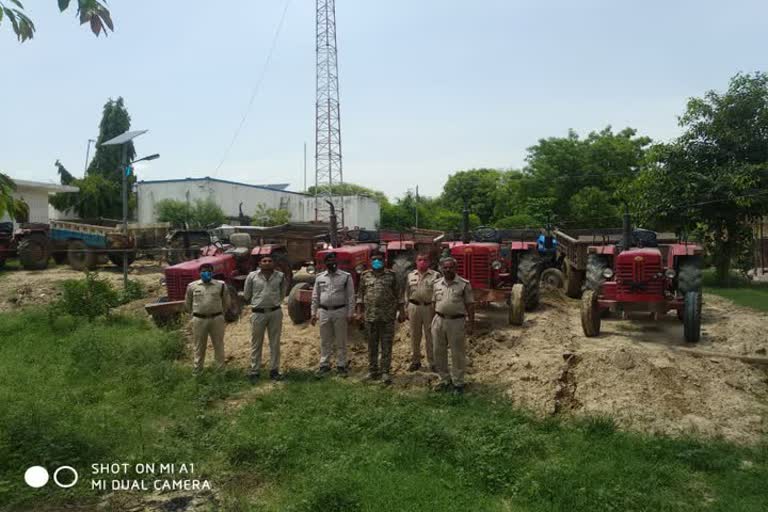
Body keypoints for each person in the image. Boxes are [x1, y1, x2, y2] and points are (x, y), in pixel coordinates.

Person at [356, 252, 405, 384]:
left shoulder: (392, 276)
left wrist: (402, 312)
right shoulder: (365, 276)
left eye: (379, 259)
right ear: (370, 261)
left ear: (384, 260)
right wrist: (359, 312)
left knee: (386, 346)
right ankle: (372, 371)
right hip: (370, 317)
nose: (376, 261)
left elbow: (399, 295)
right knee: (372, 346)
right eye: (374, 260)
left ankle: (385, 372)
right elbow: (360, 295)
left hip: (387, 317)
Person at [431, 256, 474, 393]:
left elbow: (470, 305)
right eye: (445, 267)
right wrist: (433, 320)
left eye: (450, 267)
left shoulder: (463, 284)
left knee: (457, 353)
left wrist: (470, 324)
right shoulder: (437, 284)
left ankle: (458, 383)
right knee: (438, 352)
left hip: (456, 322)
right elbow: (434, 303)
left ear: (455, 268)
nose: (448, 269)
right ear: (441, 268)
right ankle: (444, 379)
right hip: (439, 320)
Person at [243, 254, 288, 382]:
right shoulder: (252, 276)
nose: (267, 262)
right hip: (258, 313)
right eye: (264, 261)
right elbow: (247, 294)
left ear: (273, 263)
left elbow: (283, 292)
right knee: (256, 343)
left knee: (275, 343)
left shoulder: (280, 276)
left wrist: (275, 302)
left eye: (270, 260)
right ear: (259, 263)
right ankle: (254, 371)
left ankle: (274, 371)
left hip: (275, 312)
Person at [311, 252, 355, 376]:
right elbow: (315, 296)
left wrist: (350, 313)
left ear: (337, 262)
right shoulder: (319, 277)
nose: (332, 263)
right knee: (325, 340)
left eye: (334, 260)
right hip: (324, 311)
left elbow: (351, 296)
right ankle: (324, 364)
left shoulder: (346, 277)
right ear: (325, 263)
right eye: (329, 261)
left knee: (341, 340)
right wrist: (313, 313)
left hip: (340, 311)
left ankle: (341, 365)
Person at [184, 263, 231, 375]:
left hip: (216, 319)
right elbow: (188, 304)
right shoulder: (192, 286)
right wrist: (195, 314)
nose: (206, 273)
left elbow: (226, 302)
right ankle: (197, 371)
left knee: (218, 345)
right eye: (203, 271)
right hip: (199, 320)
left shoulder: (221, 285)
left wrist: (220, 313)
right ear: (199, 273)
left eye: (209, 271)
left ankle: (220, 372)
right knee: (199, 346)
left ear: (212, 272)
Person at [404, 254, 441, 372]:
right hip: (414, 307)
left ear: (429, 262)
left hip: (429, 308)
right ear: (416, 262)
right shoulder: (410, 275)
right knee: (415, 335)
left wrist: (437, 309)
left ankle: (433, 362)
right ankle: (415, 361)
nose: (422, 262)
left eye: (425, 260)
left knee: (430, 336)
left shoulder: (436, 275)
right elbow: (406, 292)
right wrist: (406, 308)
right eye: (420, 260)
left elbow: (438, 293)